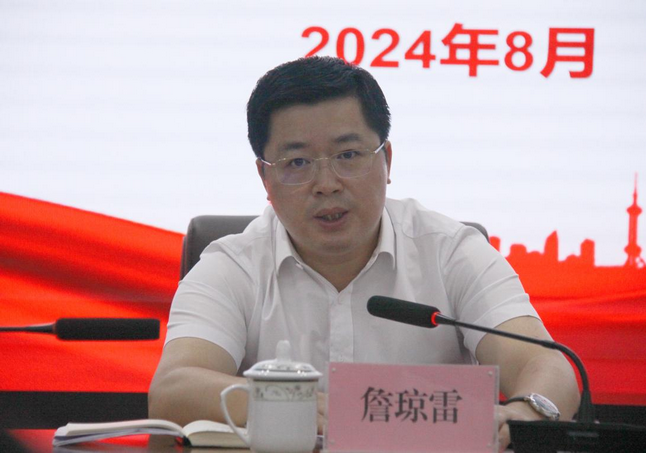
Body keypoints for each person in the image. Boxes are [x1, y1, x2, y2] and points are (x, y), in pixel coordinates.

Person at [149, 56, 580, 451]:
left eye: (349, 155)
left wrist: (528, 413)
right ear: (265, 177)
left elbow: (545, 364)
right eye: (297, 162)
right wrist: (286, 405)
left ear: (386, 160)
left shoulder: (451, 252)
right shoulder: (232, 266)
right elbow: (172, 389)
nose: (327, 184)